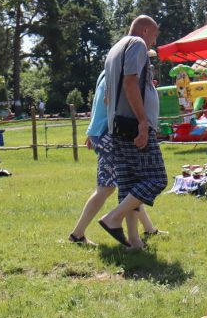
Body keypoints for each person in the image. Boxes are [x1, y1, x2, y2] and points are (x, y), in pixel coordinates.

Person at [96, 15, 168, 250]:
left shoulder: (115, 48)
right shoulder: (137, 44)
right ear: (146, 31)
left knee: (129, 185)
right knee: (157, 179)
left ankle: (134, 241)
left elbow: (109, 94)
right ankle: (113, 217)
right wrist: (143, 122)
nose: (153, 43)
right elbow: (129, 82)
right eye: (154, 36)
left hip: (117, 126)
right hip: (133, 126)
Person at [69, 70, 164, 246]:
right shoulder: (120, 76)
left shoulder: (106, 73)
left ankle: (149, 228)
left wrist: (92, 131)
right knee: (109, 188)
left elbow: (98, 103)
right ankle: (78, 234)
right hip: (108, 134)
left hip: (100, 132)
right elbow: (107, 100)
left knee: (130, 185)